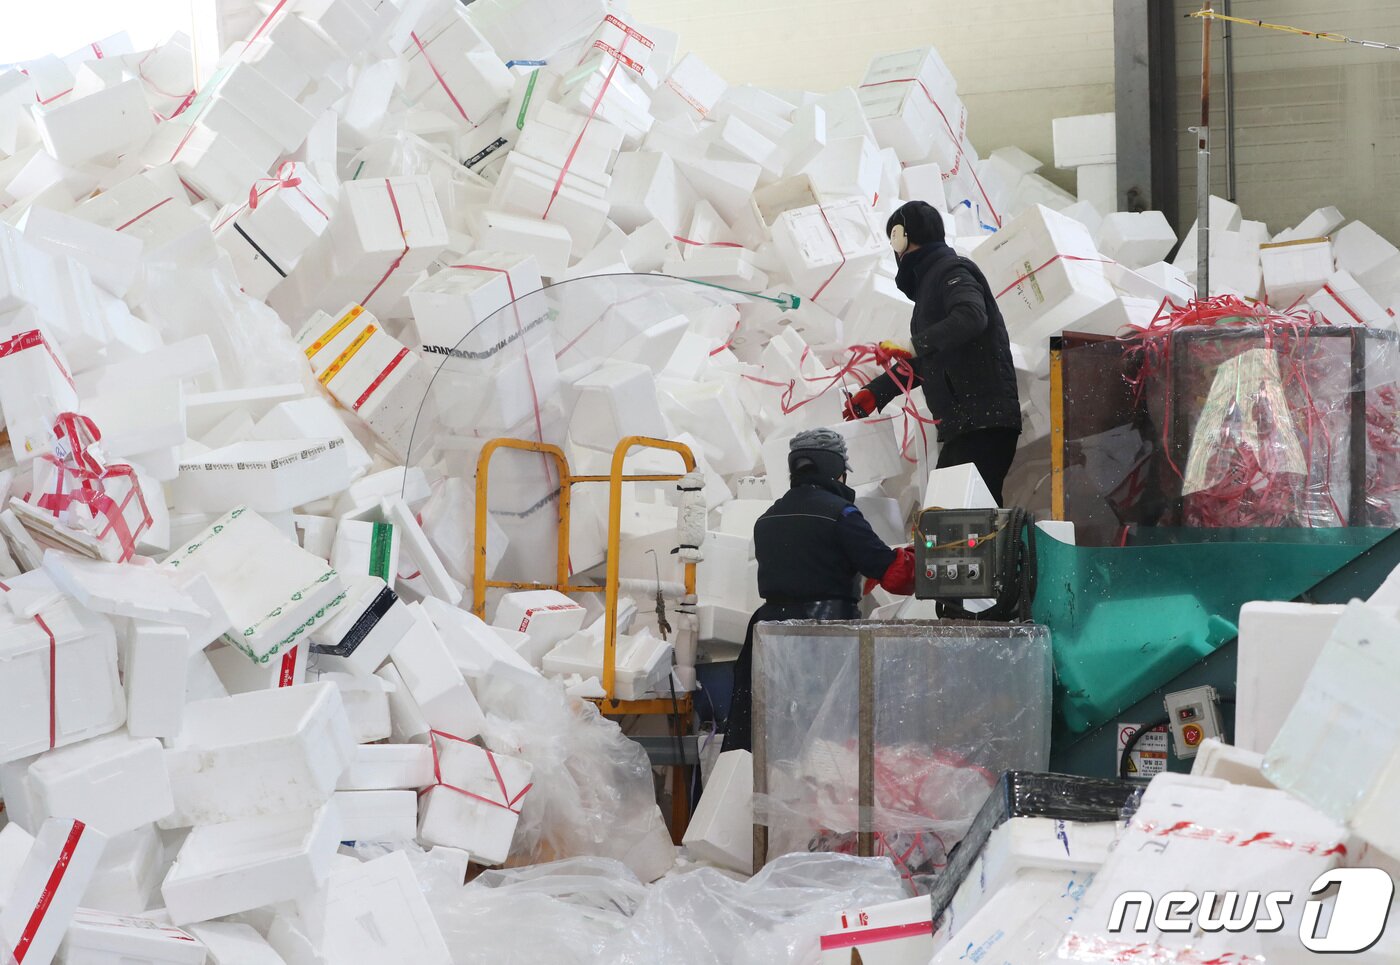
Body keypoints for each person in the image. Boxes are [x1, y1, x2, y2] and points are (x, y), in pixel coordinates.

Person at [721, 429, 915, 754]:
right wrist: (920, 555)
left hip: (770, 634)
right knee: (827, 737)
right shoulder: (842, 515)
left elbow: (805, 565)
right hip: (825, 636)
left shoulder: (767, 519)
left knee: (773, 733)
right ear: (833, 468)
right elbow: (893, 575)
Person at [843, 200, 1022, 505]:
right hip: (966, 424)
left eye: (893, 238)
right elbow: (931, 361)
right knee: (958, 518)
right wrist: (877, 392)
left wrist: (911, 344)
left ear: (902, 236)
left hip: (982, 422)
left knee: (961, 518)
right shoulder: (931, 285)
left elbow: (971, 316)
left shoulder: (951, 271)